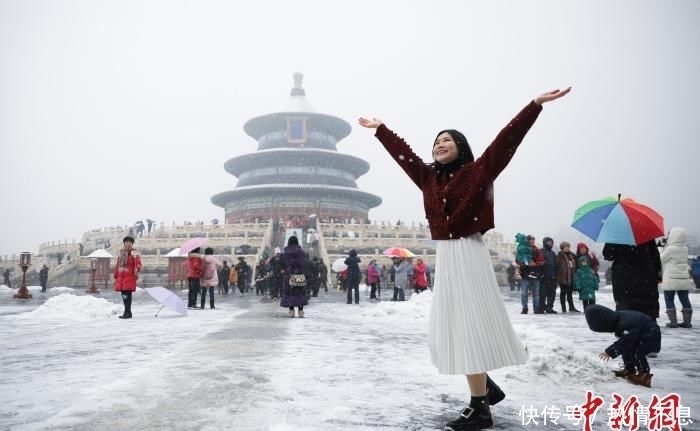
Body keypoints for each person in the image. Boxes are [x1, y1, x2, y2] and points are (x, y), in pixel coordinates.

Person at [359, 86, 570, 430]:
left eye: (447, 140)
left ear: (460, 147)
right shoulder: (428, 178)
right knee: (453, 325)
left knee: (468, 325)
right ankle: (486, 386)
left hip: (469, 253)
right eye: (436, 141)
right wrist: (382, 130)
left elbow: (507, 140)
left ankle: (480, 407)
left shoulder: (478, 171)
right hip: (447, 254)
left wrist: (534, 105)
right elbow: (407, 157)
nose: (439, 145)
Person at [585, 304, 661, 388]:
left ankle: (644, 376)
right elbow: (626, 342)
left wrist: (610, 351)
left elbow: (626, 341)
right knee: (626, 349)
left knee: (637, 353)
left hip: (650, 334)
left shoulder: (626, 322)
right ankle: (629, 370)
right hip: (641, 334)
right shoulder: (619, 319)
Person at [603, 240, 662, 320]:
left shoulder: (617, 235)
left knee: (626, 311)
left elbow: (608, 255)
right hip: (645, 276)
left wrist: (611, 242)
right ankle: (648, 328)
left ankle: (627, 328)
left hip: (624, 277)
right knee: (647, 310)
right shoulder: (646, 235)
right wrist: (658, 276)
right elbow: (655, 256)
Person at [660, 227, 693, 328]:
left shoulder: (670, 248)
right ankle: (687, 322)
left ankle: (673, 322)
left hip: (671, 278)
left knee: (669, 299)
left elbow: (661, 259)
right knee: (684, 299)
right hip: (683, 278)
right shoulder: (685, 248)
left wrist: (663, 246)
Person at [114, 236, 142, 319]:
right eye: (126, 242)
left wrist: (138, 268)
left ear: (132, 244)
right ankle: (127, 312)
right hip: (121, 277)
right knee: (124, 296)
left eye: (130, 242)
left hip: (129, 277)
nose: (128, 244)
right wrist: (115, 276)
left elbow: (139, 263)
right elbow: (117, 265)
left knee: (127, 296)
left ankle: (127, 312)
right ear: (124, 243)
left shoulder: (134, 254)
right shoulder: (121, 253)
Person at [280, 236, 309, 317]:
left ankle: (291, 311)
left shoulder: (285, 253)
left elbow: (282, 264)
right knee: (300, 293)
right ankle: (301, 311)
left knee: (290, 293)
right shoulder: (302, 253)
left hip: (289, 275)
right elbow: (303, 263)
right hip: (299, 275)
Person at [516, 235, 544, 314]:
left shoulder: (536, 249)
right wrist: (525, 263)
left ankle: (536, 309)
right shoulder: (522, 248)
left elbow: (541, 260)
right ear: (527, 240)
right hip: (525, 274)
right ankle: (525, 308)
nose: (532, 241)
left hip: (535, 274)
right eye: (530, 239)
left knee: (536, 293)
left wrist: (535, 264)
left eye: (533, 239)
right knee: (524, 293)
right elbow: (517, 260)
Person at [556, 241, 579, 313]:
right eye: (565, 247)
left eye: (568, 247)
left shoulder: (572, 256)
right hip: (562, 277)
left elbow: (576, 265)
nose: (567, 248)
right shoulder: (559, 256)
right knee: (563, 293)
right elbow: (557, 266)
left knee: (569, 293)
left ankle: (571, 307)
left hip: (571, 277)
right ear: (562, 248)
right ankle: (563, 307)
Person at [539, 237, 558, 314]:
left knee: (552, 293)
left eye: (551, 242)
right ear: (545, 242)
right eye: (548, 242)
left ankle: (549, 307)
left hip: (552, 276)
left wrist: (556, 275)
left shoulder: (553, 253)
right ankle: (542, 307)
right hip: (544, 277)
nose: (550, 243)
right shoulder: (541, 252)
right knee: (543, 293)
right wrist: (541, 274)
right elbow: (539, 264)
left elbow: (555, 265)